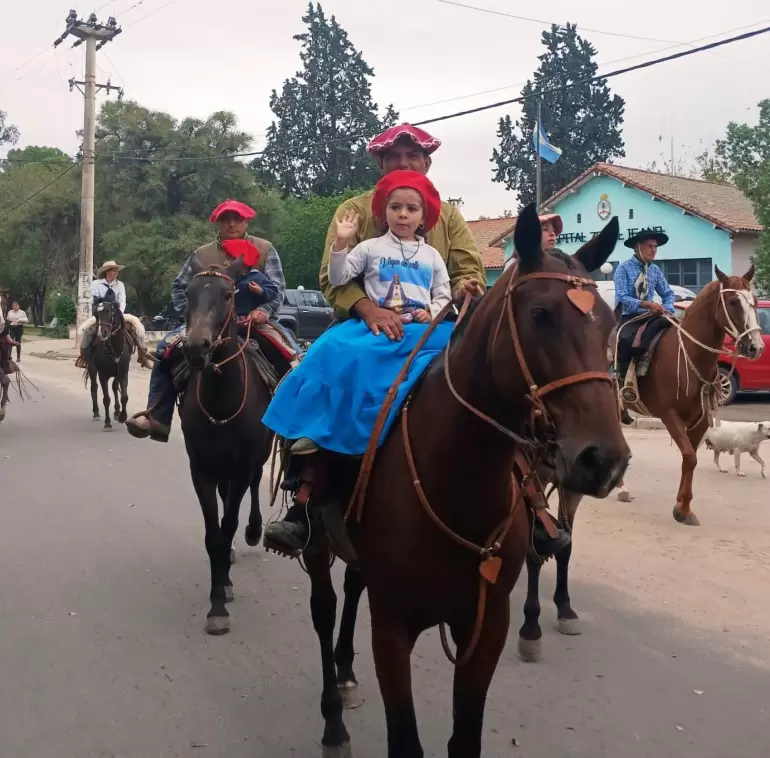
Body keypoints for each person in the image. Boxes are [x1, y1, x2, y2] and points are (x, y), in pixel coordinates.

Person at [264, 123, 570, 558]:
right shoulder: (353, 210)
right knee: (327, 361)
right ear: (380, 164)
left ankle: (534, 505)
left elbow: (465, 269)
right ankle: (306, 500)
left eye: (414, 158)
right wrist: (369, 309)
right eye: (395, 157)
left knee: (498, 386)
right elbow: (331, 279)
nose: (405, 164)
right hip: (365, 324)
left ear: (427, 164)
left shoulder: (447, 214)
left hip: (433, 324)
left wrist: (462, 293)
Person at [288, 170, 451, 457]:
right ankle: (321, 427)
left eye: (411, 209)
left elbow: (443, 293)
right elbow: (338, 278)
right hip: (378, 326)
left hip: (423, 330)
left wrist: (432, 311)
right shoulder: (370, 247)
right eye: (395, 207)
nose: (403, 215)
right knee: (332, 348)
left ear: (423, 218)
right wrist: (340, 245)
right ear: (383, 213)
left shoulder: (432, 256)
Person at [125, 199, 295, 443]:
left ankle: (293, 425)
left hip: (253, 321)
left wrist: (265, 311)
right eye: (226, 219)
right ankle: (157, 416)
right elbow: (179, 286)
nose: (232, 224)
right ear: (218, 223)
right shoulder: (201, 254)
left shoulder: (265, 249)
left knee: (295, 357)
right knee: (165, 351)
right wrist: (195, 316)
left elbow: (277, 288)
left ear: (246, 222)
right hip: (207, 325)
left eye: (238, 219)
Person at [613, 229, 675, 399]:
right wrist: (646, 304)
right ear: (637, 247)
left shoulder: (655, 270)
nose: (653, 250)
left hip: (652, 316)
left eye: (655, 246)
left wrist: (667, 308)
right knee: (625, 339)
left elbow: (668, 294)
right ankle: (623, 381)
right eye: (649, 246)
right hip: (631, 317)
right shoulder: (623, 269)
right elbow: (622, 297)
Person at [75, 261, 153, 369]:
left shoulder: (120, 285)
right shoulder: (96, 284)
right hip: (102, 314)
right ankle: (83, 357)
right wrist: (102, 312)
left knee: (137, 326)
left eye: (117, 271)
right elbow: (95, 301)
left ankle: (142, 355)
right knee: (86, 330)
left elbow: (122, 301)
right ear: (107, 271)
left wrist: (118, 314)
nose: (116, 273)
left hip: (117, 313)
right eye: (114, 271)